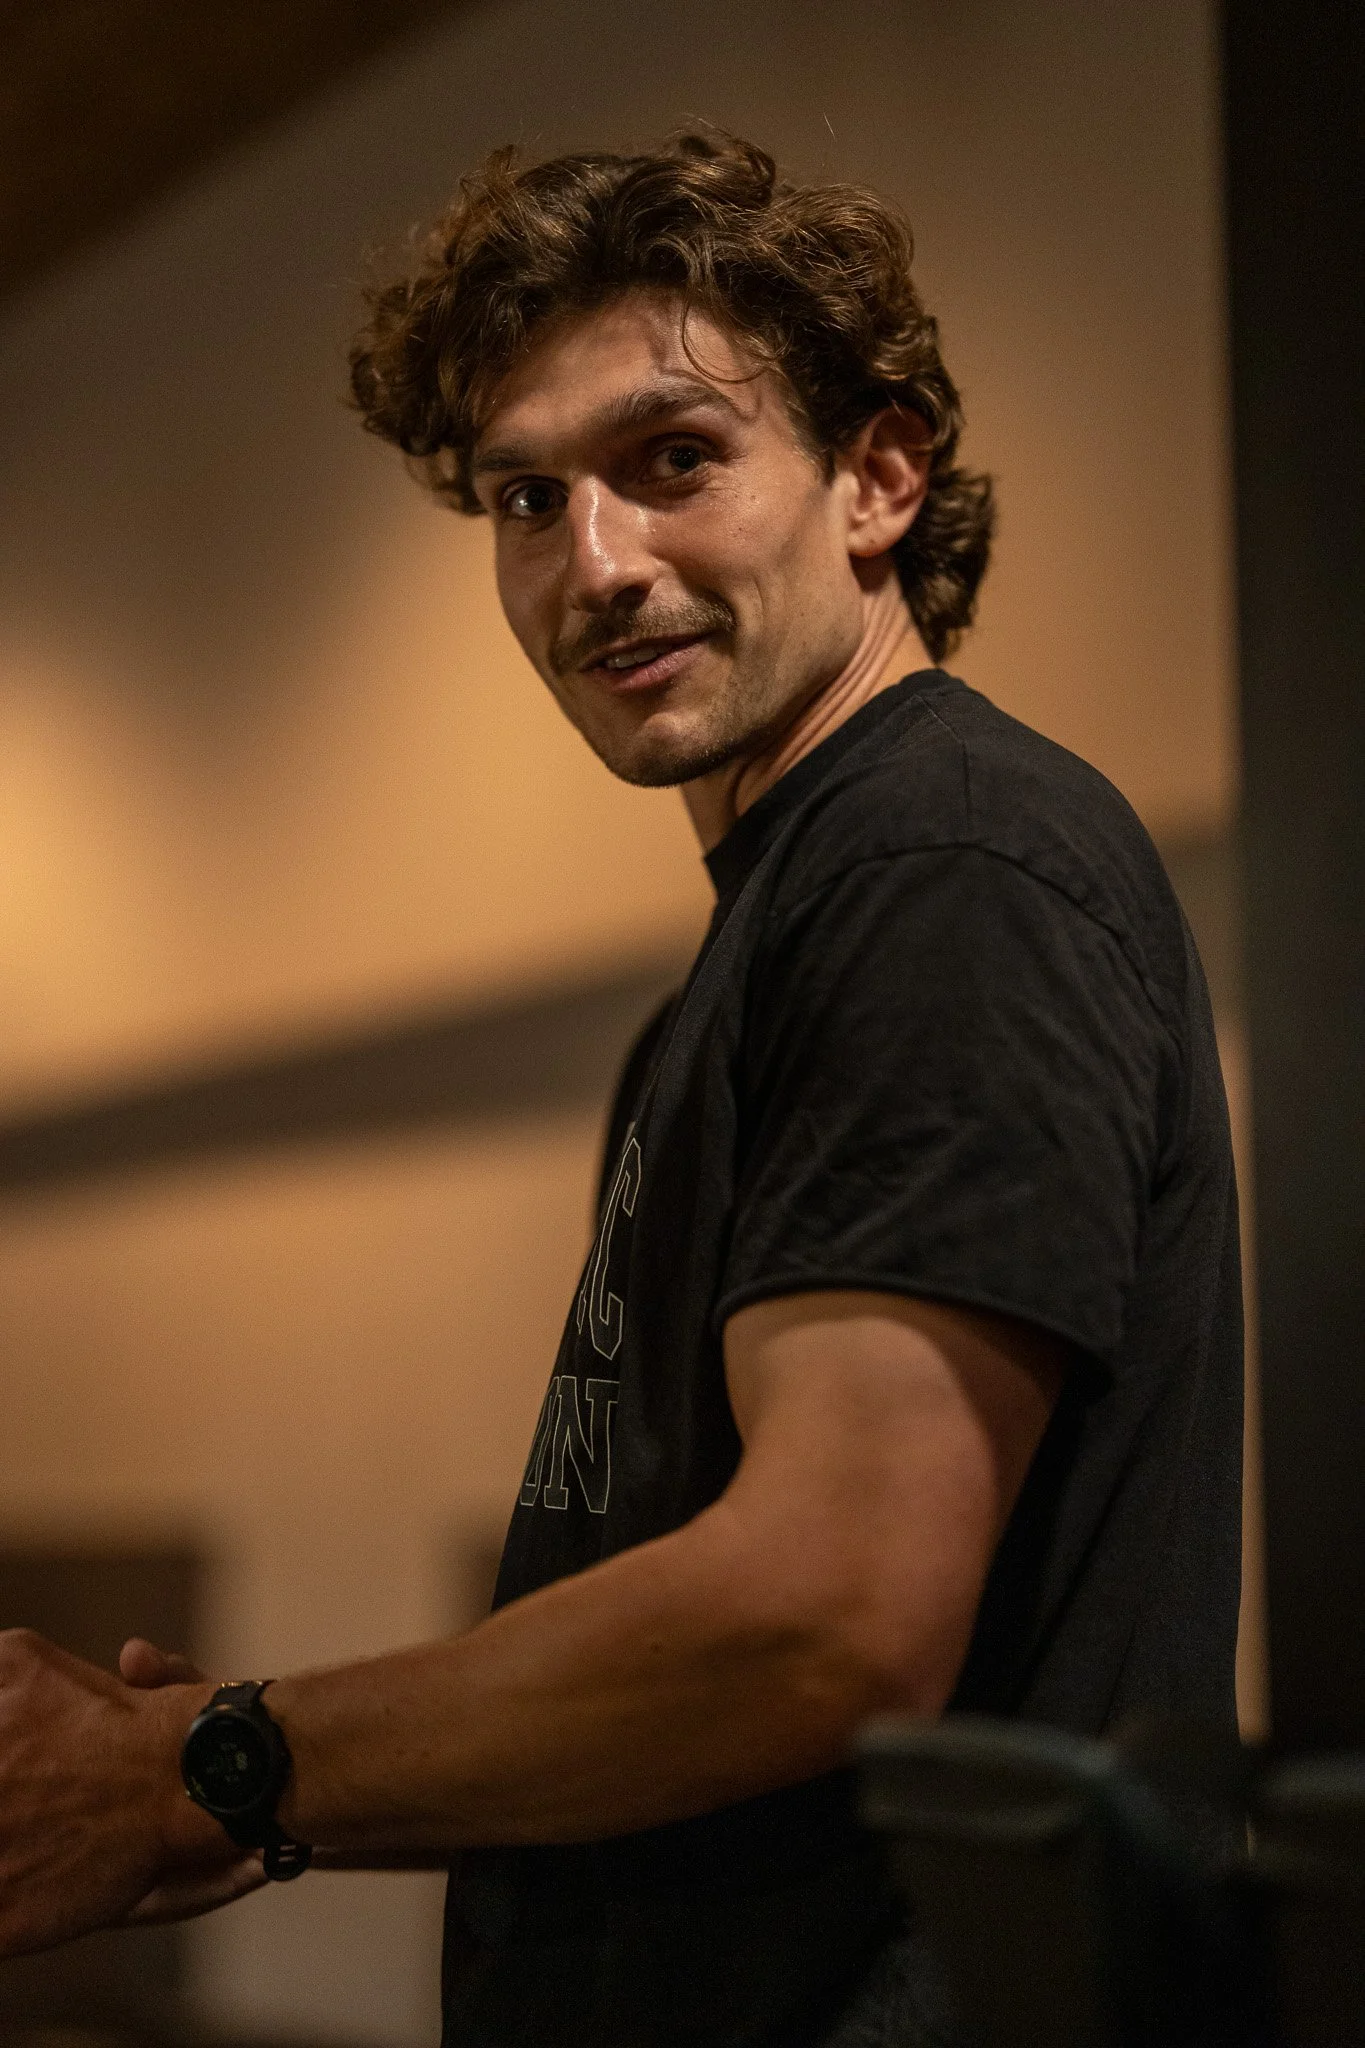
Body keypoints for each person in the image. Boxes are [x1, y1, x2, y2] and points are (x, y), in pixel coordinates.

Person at [0, 133, 1242, 2046]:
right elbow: (700, 1646)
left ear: (878, 479)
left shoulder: (945, 867)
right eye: (527, 497)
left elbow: (827, 1615)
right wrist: (258, 1758)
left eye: (672, 459)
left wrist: (207, 1772)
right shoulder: (757, 961)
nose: (595, 566)